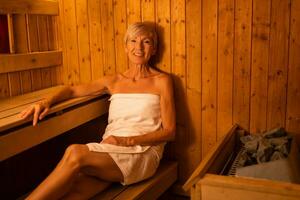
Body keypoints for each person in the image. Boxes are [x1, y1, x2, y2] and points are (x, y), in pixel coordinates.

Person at [20, 22, 176, 200]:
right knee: (74, 192)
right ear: (126, 47)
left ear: (154, 49)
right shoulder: (114, 81)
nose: (138, 47)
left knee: (75, 153)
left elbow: (170, 132)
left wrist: (125, 141)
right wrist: (45, 103)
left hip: (142, 152)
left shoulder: (162, 81)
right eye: (133, 41)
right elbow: (72, 90)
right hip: (109, 149)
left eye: (146, 42)